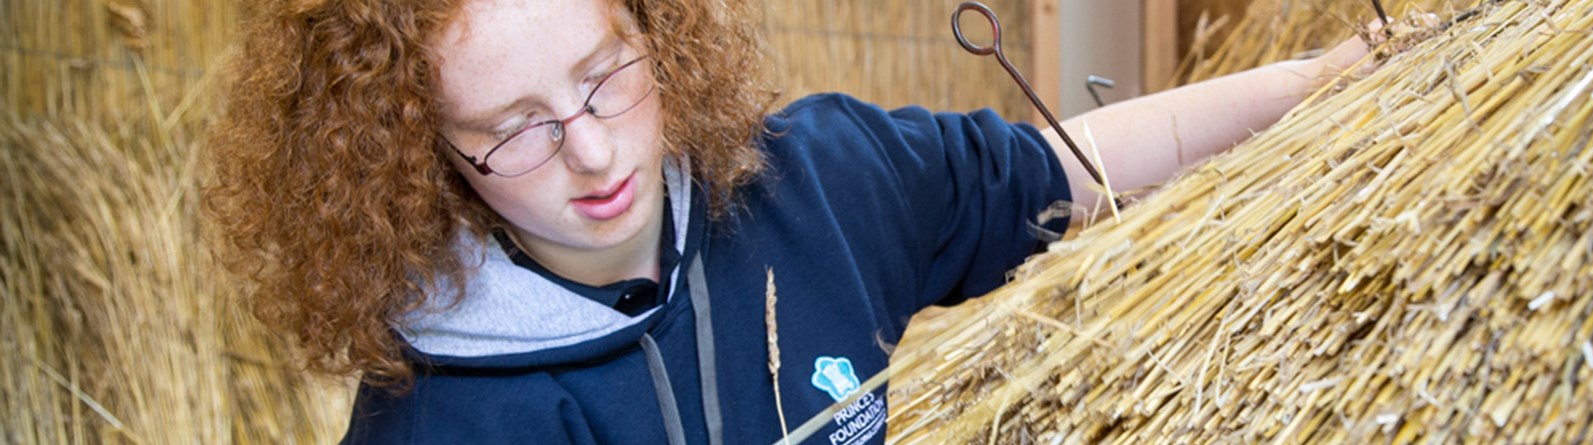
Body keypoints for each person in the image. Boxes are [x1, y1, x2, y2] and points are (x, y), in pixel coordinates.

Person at [205, 0, 1377, 443]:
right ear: (425, 157)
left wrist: (1313, 82)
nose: (598, 150)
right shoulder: (443, 421)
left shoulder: (815, 179)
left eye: (608, 75)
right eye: (513, 129)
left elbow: (1060, 167)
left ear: (655, 32)